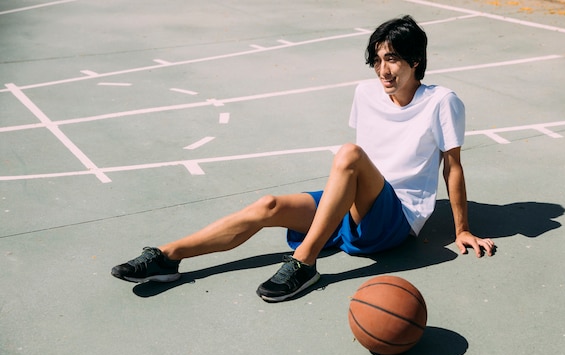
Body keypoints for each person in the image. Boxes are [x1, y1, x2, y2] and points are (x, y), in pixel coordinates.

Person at [111, 15, 495, 302]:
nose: (383, 70)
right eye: (377, 60)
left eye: (392, 59)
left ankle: (305, 262)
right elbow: (363, 166)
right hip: (357, 207)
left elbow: (453, 166)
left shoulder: (442, 101)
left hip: (397, 219)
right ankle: (168, 258)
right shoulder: (365, 93)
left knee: (348, 153)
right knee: (269, 205)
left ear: (415, 60)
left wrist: (461, 229)